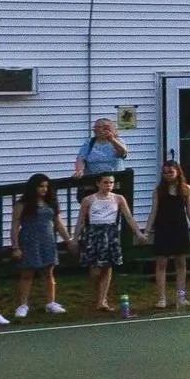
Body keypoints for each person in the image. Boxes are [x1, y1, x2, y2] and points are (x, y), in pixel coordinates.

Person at [11, 173, 66, 320]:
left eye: (46, 186)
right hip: (29, 240)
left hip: (47, 240)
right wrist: (15, 246)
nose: (44, 189)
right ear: (33, 187)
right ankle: (23, 305)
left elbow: (58, 223)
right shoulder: (22, 204)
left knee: (48, 272)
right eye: (41, 186)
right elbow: (15, 225)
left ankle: (50, 303)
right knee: (27, 274)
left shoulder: (51, 203)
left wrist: (68, 239)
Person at [79, 170, 128, 315]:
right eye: (105, 182)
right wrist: (74, 238)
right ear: (98, 184)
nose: (109, 185)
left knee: (107, 267)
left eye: (111, 182)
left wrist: (139, 233)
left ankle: (102, 300)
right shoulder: (89, 200)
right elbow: (81, 220)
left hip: (110, 232)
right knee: (95, 269)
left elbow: (128, 217)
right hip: (95, 233)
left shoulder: (118, 198)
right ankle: (96, 295)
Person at [150, 158, 190, 310]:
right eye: (164, 173)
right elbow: (154, 211)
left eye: (170, 172)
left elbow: (189, 210)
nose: (167, 175)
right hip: (163, 227)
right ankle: (161, 298)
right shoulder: (158, 191)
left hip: (179, 227)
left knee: (181, 262)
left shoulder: (186, 189)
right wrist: (147, 230)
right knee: (161, 263)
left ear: (177, 172)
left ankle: (181, 296)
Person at [71, 115, 129, 183]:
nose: (95, 129)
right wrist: (79, 170)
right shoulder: (90, 142)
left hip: (114, 181)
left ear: (108, 129)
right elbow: (81, 158)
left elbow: (123, 153)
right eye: (94, 127)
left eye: (98, 127)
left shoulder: (118, 141)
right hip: (93, 181)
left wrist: (112, 139)